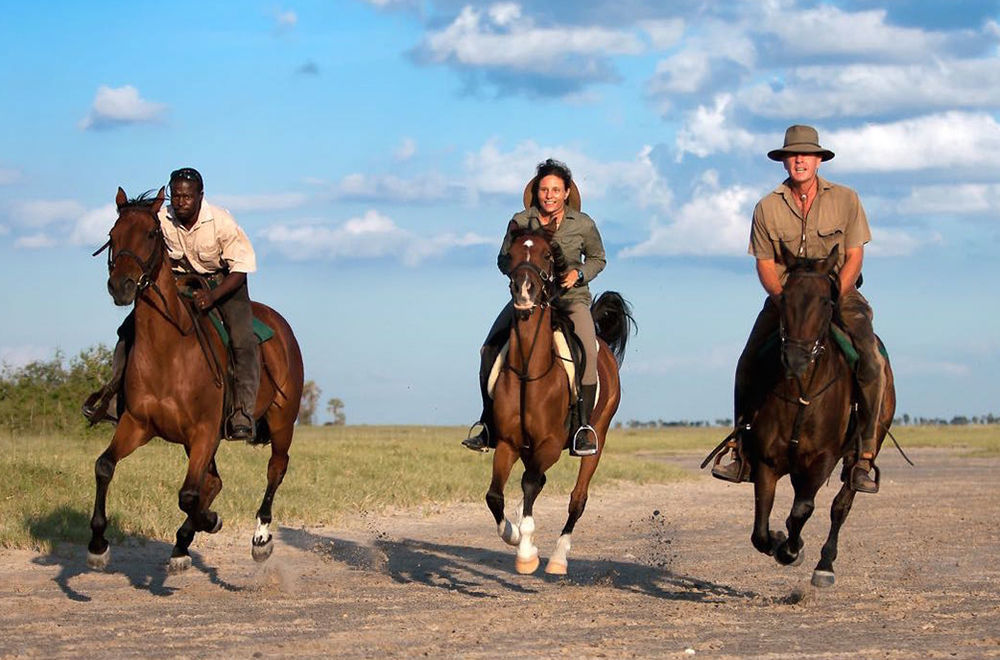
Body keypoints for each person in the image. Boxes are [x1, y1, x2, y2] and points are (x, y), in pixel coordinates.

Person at [712, 125, 887, 493]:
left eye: (806, 154)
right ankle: (741, 448)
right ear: (784, 161)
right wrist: (782, 298)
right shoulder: (767, 206)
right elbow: (764, 263)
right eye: (793, 155)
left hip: (839, 295)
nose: (799, 160)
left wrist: (835, 294)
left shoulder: (846, 199)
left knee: (871, 360)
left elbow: (855, 255)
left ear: (819, 160)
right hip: (786, 298)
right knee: (748, 361)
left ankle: (864, 455)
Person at [82, 167, 261, 442]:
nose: (180, 202)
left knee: (242, 339)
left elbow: (241, 269)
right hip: (179, 283)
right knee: (127, 331)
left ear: (200, 196)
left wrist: (212, 297)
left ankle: (242, 413)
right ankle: (115, 398)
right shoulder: (162, 220)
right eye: (175, 196)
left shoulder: (222, 221)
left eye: (187, 196)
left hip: (224, 283)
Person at [463, 158, 607, 455]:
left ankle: (582, 427)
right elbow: (503, 258)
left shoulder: (583, 224)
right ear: (536, 192)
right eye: (544, 189)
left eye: (556, 190)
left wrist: (578, 273)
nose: (549, 195)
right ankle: (487, 423)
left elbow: (598, 259)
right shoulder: (520, 220)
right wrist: (520, 273)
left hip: (570, 301)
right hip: (527, 300)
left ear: (567, 192)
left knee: (588, 352)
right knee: (488, 348)